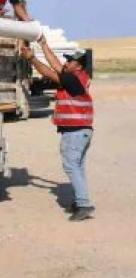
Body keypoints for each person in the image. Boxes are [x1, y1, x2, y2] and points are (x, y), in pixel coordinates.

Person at [20, 37, 95, 221]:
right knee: (78, 167)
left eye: (70, 61)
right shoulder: (77, 77)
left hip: (75, 132)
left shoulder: (72, 79)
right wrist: (43, 44)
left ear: (78, 66)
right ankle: (80, 200)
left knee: (71, 166)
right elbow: (55, 65)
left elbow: (48, 71)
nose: (66, 62)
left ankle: (84, 204)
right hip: (82, 131)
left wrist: (31, 59)